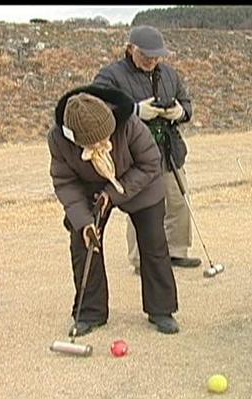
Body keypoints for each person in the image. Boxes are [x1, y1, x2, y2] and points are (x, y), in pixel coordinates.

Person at [48, 85, 181, 335]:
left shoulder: (127, 123)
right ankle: (90, 312)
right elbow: (65, 182)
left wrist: (113, 193)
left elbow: (150, 163)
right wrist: (85, 222)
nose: (103, 142)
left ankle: (161, 310)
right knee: (83, 243)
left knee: (153, 242)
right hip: (90, 189)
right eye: (94, 141)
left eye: (106, 136)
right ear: (75, 138)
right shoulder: (58, 140)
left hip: (138, 183)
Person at [93, 25, 201, 275]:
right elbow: (97, 106)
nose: (152, 60)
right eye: (146, 55)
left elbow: (186, 103)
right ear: (130, 49)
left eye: (156, 56)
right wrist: (134, 110)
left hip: (168, 150)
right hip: (134, 154)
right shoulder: (111, 75)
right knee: (141, 207)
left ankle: (175, 251)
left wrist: (180, 113)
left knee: (177, 202)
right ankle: (141, 260)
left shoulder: (170, 75)